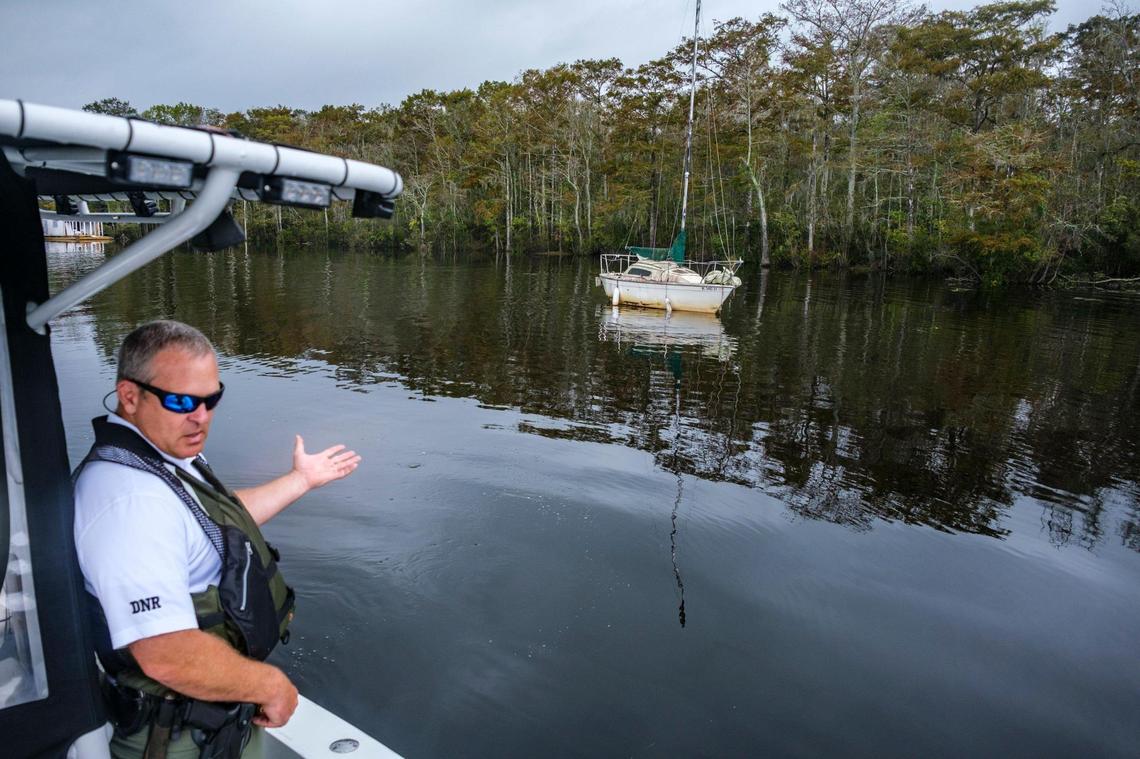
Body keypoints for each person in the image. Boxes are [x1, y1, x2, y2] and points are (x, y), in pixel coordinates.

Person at [73, 320, 361, 758]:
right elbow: (165, 653)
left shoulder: (161, 453)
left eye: (211, 399)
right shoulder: (130, 501)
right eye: (182, 401)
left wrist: (301, 480)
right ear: (130, 396)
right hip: (174, 737)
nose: (201, 417)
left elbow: (207, 526)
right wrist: (270, 685)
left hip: (210, 720)